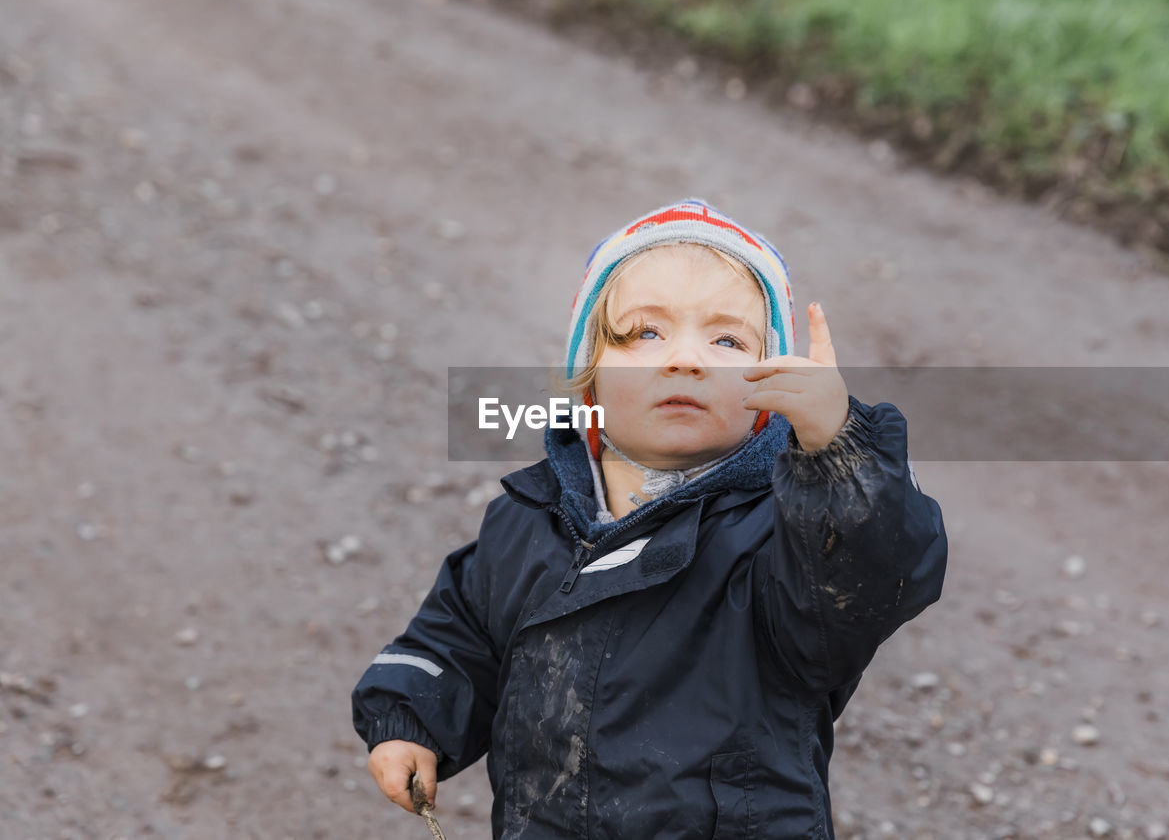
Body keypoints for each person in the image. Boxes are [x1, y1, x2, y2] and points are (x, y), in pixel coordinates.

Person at [352, 198, 947, 838]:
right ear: (588, 378)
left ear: (771, 391)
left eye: (726, 339)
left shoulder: (783, 534)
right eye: (645, 333)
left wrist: (839, 450)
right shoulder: (530, 519)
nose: (684, 358)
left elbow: (873, 576)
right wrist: (410, 718)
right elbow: (461, 635)